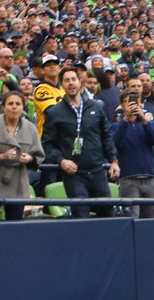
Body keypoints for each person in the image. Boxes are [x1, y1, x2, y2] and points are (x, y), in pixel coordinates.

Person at [41, 67, 119, 218]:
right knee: (81, 215)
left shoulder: (97, 106)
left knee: (109, 214)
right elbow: (47, 144)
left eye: (73, 79)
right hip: (73, 174)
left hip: (97, 170)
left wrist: (114, 160)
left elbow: (107, 135)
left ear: (80, 82)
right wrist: (61, 160)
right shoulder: (54, 112)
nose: (71, 83)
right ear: (61, 85)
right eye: (66, 80)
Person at [0, 90, 43, 222]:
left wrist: (30, 159)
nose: (14, 107)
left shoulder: (31, 128)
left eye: (18, 104)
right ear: (3, 107)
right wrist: (0, 157)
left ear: (22, 107)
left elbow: (38, 156)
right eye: (10, 104)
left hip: (18, 182)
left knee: (14, 224)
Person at [112, 91, 154, 219]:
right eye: (128, 101)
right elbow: (116, 142)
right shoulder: (116, 126)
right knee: (131, 219)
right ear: (122, 105)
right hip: (128, 179)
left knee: (151, 219)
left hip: (150, 178)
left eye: (135, 101)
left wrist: (144, 118)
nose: (132, 104)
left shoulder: (149, 123)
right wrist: (126, 120)